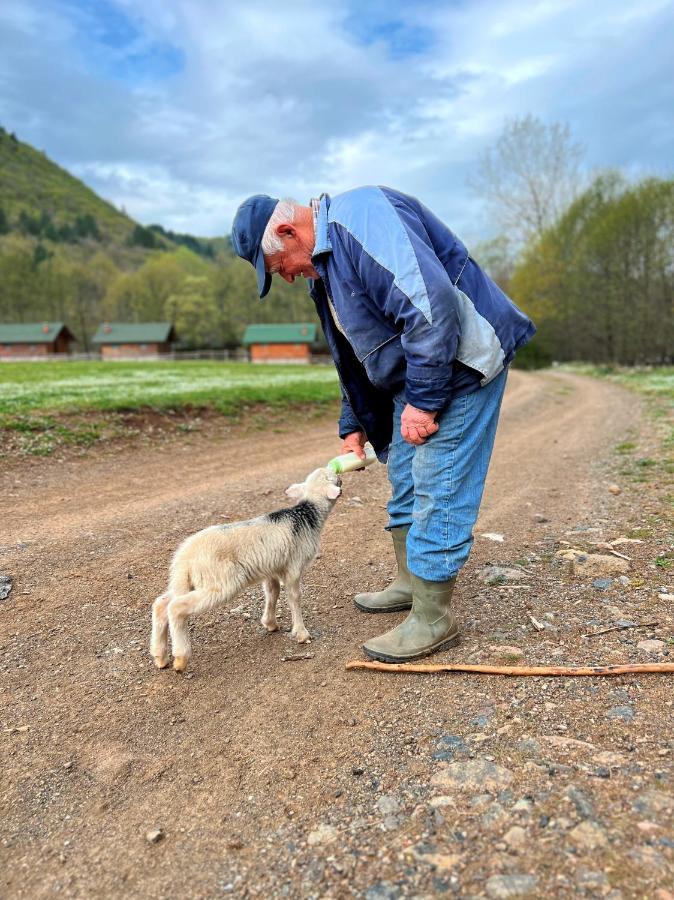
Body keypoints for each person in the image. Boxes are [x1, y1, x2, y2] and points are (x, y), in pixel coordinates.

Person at [231, 187, 535, 662]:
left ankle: (435, 616)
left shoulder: (365, 218)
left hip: (458, 365)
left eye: (277, 267)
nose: (286, 279)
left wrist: (425, 399)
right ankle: (410, 581)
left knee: (440, 480)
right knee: (405, 481)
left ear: (289, 231)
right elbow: (353, 352)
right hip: (416, 376)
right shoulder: (324, 270)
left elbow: (429, 307)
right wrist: (354, 418)